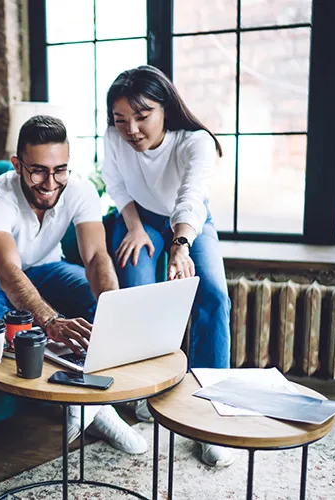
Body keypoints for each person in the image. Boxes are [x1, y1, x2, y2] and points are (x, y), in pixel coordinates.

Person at [0, 115, 147, 455]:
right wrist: (50, 321)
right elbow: (7, 271)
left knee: (99, 297)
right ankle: (93, 407)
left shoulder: (80, 190)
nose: (50, 182)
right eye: (38, 170)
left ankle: (120, 392)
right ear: (17, 164)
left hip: (49, 268)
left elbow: (95, 258)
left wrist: (114, 308)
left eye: (59, 169)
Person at [100, 65, 234, 467]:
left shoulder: (195, 141)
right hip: (140, 219)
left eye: (142, 116)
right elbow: (116, 183)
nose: (131, 129)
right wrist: (135, 228)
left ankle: (210, 413)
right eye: (121, 119)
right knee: (141, 294)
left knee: (212, 295)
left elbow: (191, 198)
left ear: (166, 108)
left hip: (189, 222)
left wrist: (180, 244)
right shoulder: (113, 137)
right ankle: (146, 391)